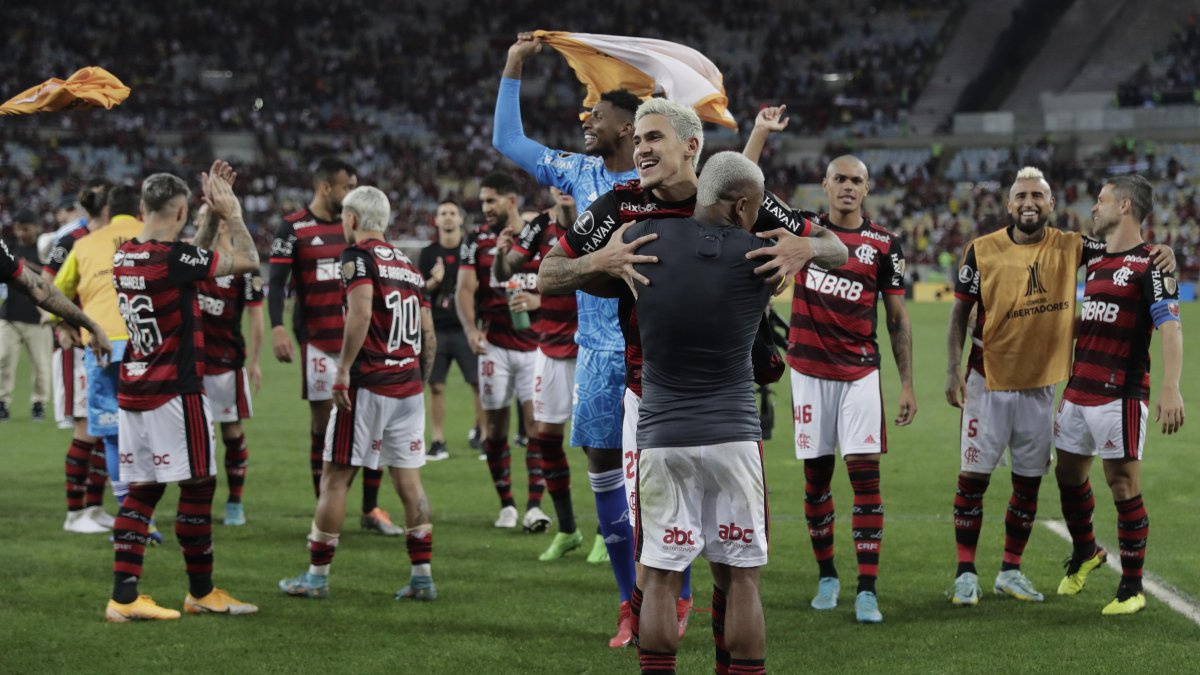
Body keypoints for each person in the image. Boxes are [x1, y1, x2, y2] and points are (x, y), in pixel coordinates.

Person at [539, 98, 848, 649]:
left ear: (691, 147)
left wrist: (806, 246)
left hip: (725, 394)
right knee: (654, 546)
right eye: (637, 141)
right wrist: (597, 262)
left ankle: (686, 625)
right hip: (647, 394)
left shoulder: (727, 195)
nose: (641, 150)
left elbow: (838, 247)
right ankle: (642, 611)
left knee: (729, 561)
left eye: (653, 138)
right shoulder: (618, 206)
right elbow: (548, 273)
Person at [944, 166, 1174, 606]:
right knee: (972, 479)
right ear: (1009, 204)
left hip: (1041, 385)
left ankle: (1011, 570)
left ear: (1051, 205)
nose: (1029, 202)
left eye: (1038, 195)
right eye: (1021, 195)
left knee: (1028, 484)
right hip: (986, 381)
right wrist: (952, 368)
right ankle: (965, 572)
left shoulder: (1073, 245)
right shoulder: (981, 250)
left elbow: (1127, 246)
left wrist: (1164, 252)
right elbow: (959, 314)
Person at [493, 32, 643, 623]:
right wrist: (512, 66)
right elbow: (507, 139)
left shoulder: (666, 182)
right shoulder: (579, 173)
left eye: (597, 114)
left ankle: (676, 598)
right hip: (596, 355)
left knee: (656, 488)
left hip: (653, 353)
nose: (586, 120)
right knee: (605, 480)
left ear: (629, 127)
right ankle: (628, 604)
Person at [628, 152, 773, 675]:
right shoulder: (762, 256)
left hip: (663, 433)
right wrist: (807, 244)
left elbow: (572, 269)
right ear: (741, 207)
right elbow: (837, 253)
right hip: (733, 432)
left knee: (662, 575)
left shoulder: (641, 242)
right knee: (742, 578)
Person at [106, 164, 260, 622]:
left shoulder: (127, 255)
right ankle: (201, 591)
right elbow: (248, 260)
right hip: (176, 390)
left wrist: (208, 215)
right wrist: (232, 213)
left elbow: (190, 255)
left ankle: (125, 596)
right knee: (199, 484)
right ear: (178, 211)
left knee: (143, 491)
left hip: (135, 387)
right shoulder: (172, 261)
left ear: (141, 210)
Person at [773, 154, 916, 623]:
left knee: (865, 479)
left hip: (860, 374)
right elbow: (750, 198)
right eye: (840, 179)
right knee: (816, 482)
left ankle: (867, 589)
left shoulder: (883, 244)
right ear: (825, 184)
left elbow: (897, 320)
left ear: (868, 189)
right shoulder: (804, 230)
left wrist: (908, 384)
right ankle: (828, 575)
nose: (848, 187)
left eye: (857, 181)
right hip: (809, 373)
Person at [279, 185, 438, 601]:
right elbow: (428, 333)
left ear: (351, 220)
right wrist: (418, 377)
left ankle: (316, 576)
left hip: (370, 385)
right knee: (409, 481)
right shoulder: (408, 263)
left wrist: (344, 370)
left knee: (334, 478)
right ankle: (422, 576)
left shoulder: (357, 257)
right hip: (408, 387)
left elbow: (362, 310)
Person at [1053, 174, 1184, 615]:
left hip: (1120, 394)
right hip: (1079, 388)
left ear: (1125, 206)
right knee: (1068, 473)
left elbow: (1170, 326)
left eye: (1101, 200)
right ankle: (1087, 551)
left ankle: (1131, 588)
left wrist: (1170, 386)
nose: (1094, 206)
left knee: (1122, 484)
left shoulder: (1153, 263)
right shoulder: (1097, 257)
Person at [269, 158, 402, 536]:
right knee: (323, 427)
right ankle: (324, 506)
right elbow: (276, 283)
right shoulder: (293, 228)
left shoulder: (363, 233)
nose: (353, 194)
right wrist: (277, 326)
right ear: (326, 187)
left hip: (367, 344)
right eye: (347, 186)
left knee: (373, 425)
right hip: (320, 343)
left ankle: (370, 509)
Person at [455, 172, 548, 532]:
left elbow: (560, 278)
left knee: (537, 428)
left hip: (535, 346)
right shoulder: (475, 240)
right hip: (494, 346)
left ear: (511, 201)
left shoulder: (540, 234)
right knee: (494, 430)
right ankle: (507, 504)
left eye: (491, 200)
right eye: (482, 202)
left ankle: (535, 507)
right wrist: (470, 329)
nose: (485, 208)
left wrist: (539, 298)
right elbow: (465, 290)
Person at [55, 184, 149, 536]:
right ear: (141, 209)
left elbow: (51, 293)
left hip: (100, 344)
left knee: (109, 433)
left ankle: (123, 515)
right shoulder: (151, 235)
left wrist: (68, 327)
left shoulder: (82, 242)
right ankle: (140, 517)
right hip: (147, 344)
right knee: (143, 432)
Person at [496, 186, 583, 560]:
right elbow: (507, 270)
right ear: (551, 189)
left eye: (569, 183)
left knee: (604, 448)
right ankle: (567, 530)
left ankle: (609, 536)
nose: (563, 190)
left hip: (591, 346)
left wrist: (540, 297)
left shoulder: (602, 218)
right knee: (545, 436)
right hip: (549, 345)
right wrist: (502, 256)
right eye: (556, 184)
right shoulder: (539, 227)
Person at [45, 181, 115, 532]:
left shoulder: (113, 241)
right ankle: (74, 514)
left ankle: (94, 508)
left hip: (106, 346)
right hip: (78, 346)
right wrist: (61, 324)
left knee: (103, 429)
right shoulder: (72, 240)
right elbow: (45, 285)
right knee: (87, 428)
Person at [195, 206, 264, 526]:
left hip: (226, 362)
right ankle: (201, 501)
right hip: (191, 363)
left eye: (203, 220)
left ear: (221, 225)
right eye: (196, 220)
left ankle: (235, 502)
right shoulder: (191, 261)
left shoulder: (242, 267)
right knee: (197, 437)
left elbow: (255, 313)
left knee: (232, 433)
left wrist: (255, 361)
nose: (197, 225)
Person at [418, 200, 483, 460]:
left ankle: (483, 435)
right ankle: (438, 441)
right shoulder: (427, 253)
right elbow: (418, 290)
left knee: (478, 384)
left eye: (452, 213)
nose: (447, 218)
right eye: (442, 213)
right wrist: (434, 280)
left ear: (460, 220)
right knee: (436, 386)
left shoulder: (470, 250)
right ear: (436, 220)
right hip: (437, 329)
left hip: (466, 328)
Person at [0, 211, 54, 422]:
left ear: (35, 227)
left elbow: (51, 273)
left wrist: (24, 265)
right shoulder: (9, 247)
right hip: (9, 315)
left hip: (38, 317)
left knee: (41, 365)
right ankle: (2, 403)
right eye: (19, 227)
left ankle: (39, 404)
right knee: (3, 360)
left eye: (26, 227)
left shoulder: (45, 251)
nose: (22, 232)